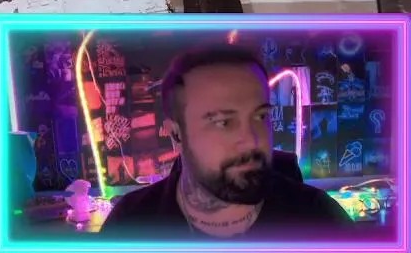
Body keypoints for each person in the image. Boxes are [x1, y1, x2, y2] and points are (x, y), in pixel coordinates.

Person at [99, 45, 353, 241]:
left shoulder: (321, 221)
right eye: (223, 122)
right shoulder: (130, 225)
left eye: (260, 116)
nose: (251, 139)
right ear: (176, 134)